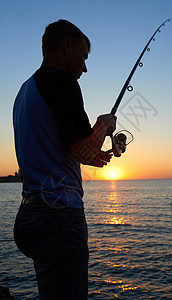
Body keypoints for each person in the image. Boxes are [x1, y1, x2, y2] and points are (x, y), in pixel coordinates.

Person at [13, 19, 118, 300]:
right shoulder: (62, 81)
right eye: (83, 58)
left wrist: (95, 154)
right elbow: (81, 149)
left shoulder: (25, 90)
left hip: (30, 216)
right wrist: (104, 126)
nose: (84, 68)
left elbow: (65, 148)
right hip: (57, 218)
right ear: (66, 45)